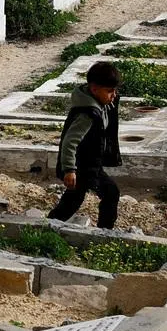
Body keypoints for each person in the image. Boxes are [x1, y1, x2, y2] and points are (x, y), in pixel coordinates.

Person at [48, 60, 121, 229]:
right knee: (110, 192)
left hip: (91, 165)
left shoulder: (98, 104)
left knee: (74, 200)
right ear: (94, 89)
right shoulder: (87, 114)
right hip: (82, 168)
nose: (114, 95)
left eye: (115, 91)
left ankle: (49, 225)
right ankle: (105, 232)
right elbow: (69, 142)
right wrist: (69, 170)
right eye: (109, 91)